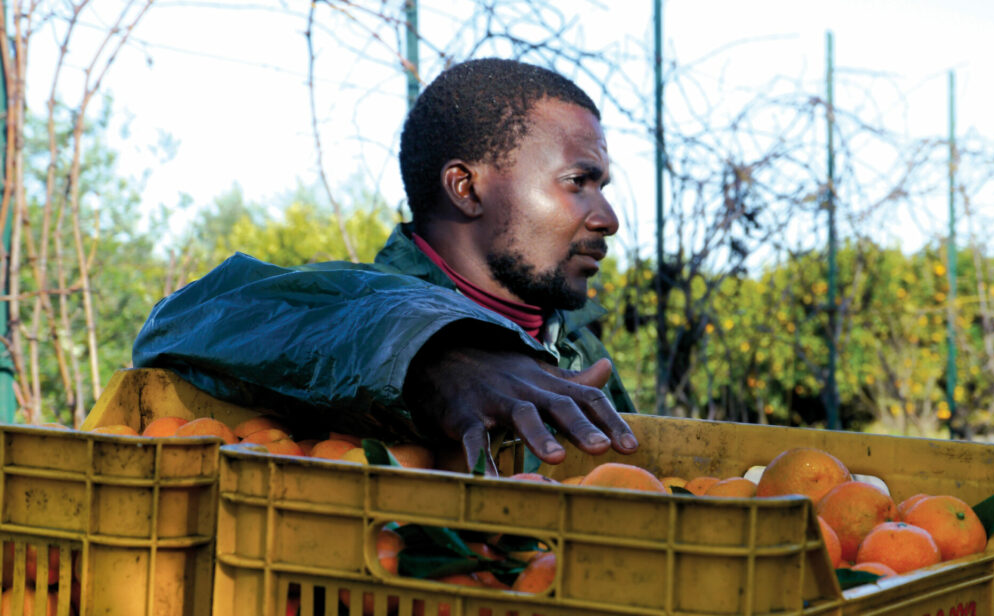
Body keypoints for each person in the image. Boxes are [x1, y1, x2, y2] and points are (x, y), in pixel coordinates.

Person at [133, 57, 638, 474]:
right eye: (577, 182)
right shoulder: (356, 311)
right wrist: (431, 355)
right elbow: (176, 324)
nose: (608, 219)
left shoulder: (582, 356)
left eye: (603, 188)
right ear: (467, 188)